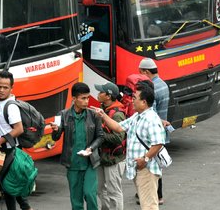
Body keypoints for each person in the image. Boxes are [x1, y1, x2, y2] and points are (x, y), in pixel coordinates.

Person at [93, 83, 166, 210]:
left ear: (144, 102)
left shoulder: (150, 119)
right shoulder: (137, 116)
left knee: (149, 205)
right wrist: (103, 115)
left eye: (134, 98)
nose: (131, 100)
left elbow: (159, 143)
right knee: (146, 203)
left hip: (147, 169)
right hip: (140, 167)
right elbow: (119, 127)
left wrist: (145, 159)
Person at [51, 82, 104, 210]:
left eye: (88, 97)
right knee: (76, 201)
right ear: (74, 99)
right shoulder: (63, 115)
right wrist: (56, 129)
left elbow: (101, 136)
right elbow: (55, 137)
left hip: (90, 163)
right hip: (72, 163)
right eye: (83, 98)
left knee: (90, 194)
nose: (87, 101)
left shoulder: (94, 115)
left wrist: (91, 148)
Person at [0, 70, 33, 210]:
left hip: (11, 151)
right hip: (5, 150)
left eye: (5, 87)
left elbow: (18, 129)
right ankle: (27, 208)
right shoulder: (0, 102)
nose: (1, 90)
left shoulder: (11, 106)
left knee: (7, 185)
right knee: (11, 184)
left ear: (11, 88)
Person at [139, 57, 171, 204]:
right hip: (163, 131)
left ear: (146, 72)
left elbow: (152, 113)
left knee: (152, 164)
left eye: (141, 73)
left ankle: (156, 195)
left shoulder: (151, 89)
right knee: (158, 162)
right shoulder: (163, 84)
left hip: (153, 132)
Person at [94, 82, 126, 210]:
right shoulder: (104, 109)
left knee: (114, 192)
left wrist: (99, 136)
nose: (98, 93)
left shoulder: (117, 114)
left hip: (114, 159)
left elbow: (118, 138)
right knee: (100, 189)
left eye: (101, 92)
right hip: (104, 157)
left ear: (108, 96)